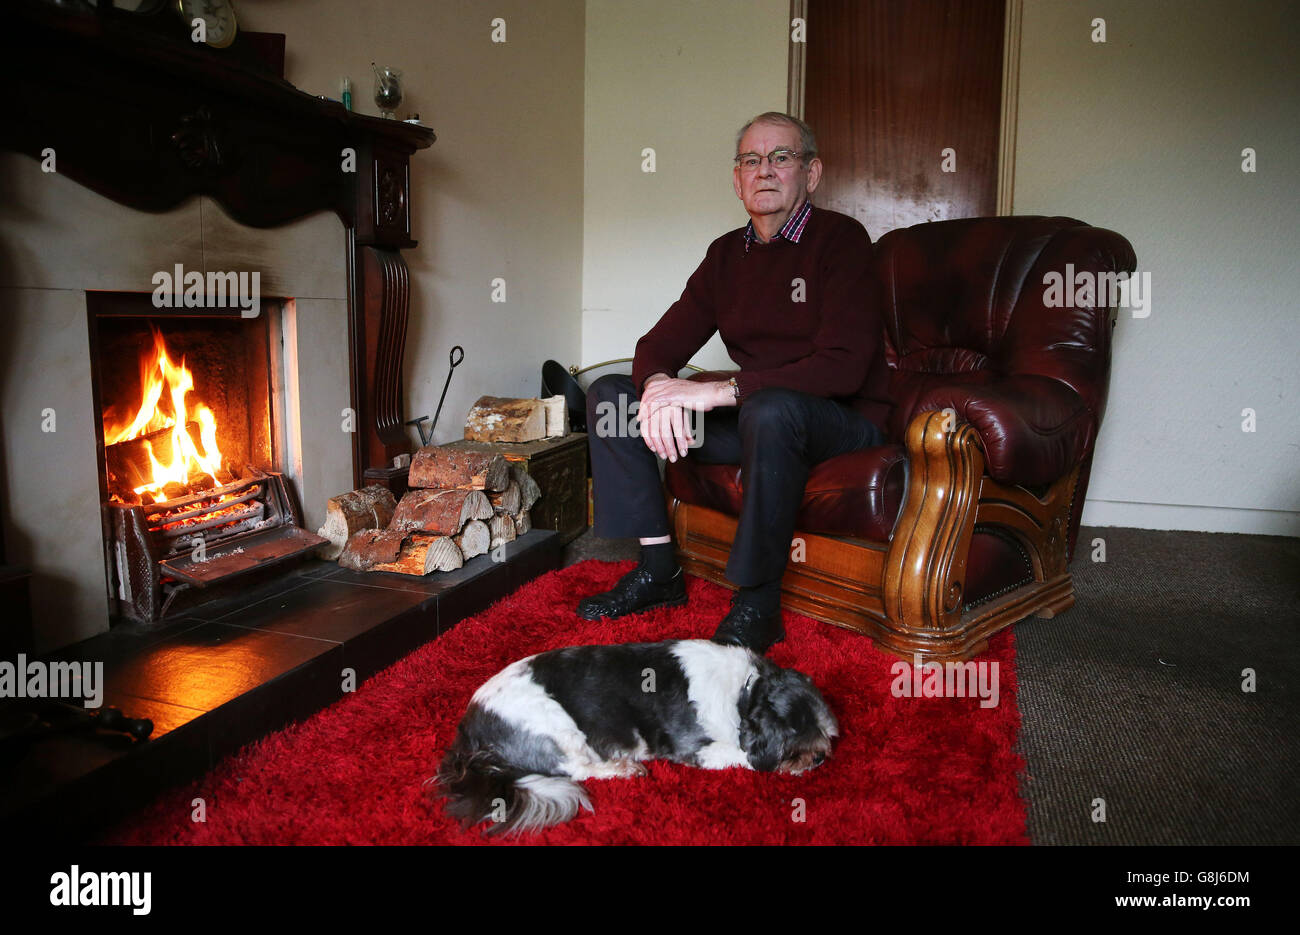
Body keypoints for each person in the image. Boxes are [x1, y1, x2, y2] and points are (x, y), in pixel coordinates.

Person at [577, 112, 891, 654]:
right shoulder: (726, 255)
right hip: (756, 417)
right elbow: (659, 345)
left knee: (770, 409)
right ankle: (658, 572)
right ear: (736, 178)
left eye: (781, 157)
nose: (764, 171)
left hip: (840, 420)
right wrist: (656, 391)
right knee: (611, 397)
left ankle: (758, 602)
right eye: (751, 160)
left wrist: (719, 391)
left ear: (810, 173)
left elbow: (843, 366)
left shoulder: (842, 240)